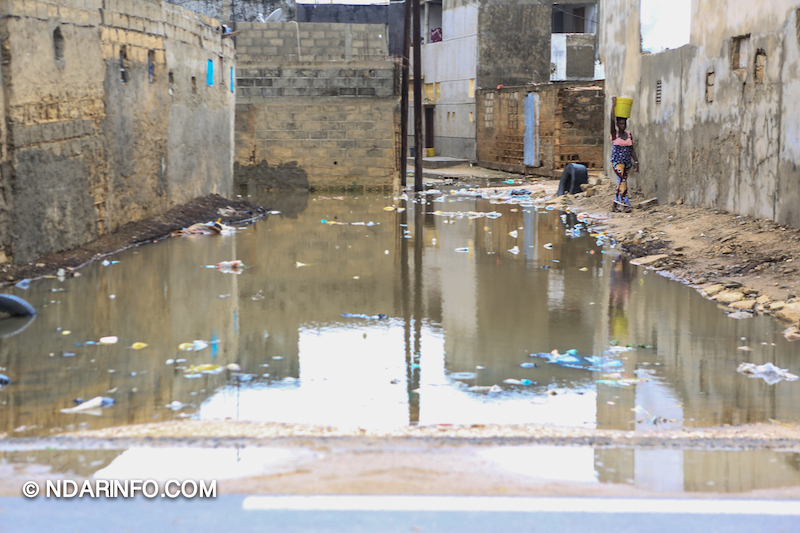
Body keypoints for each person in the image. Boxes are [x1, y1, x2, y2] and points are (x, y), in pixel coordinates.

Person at [609, 97, 639, 213]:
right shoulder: (614, 134)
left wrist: (636, 161)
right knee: (622, 181)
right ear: (617, 125)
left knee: (621, 182)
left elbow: (632, 149)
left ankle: (614, 206)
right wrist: (613, 105)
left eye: (624, 123)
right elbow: (611, 120)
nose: (623, 125)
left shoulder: (629, 134)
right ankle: (626, 205)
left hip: (627, 163)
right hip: (617, 162)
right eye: (621, 123)